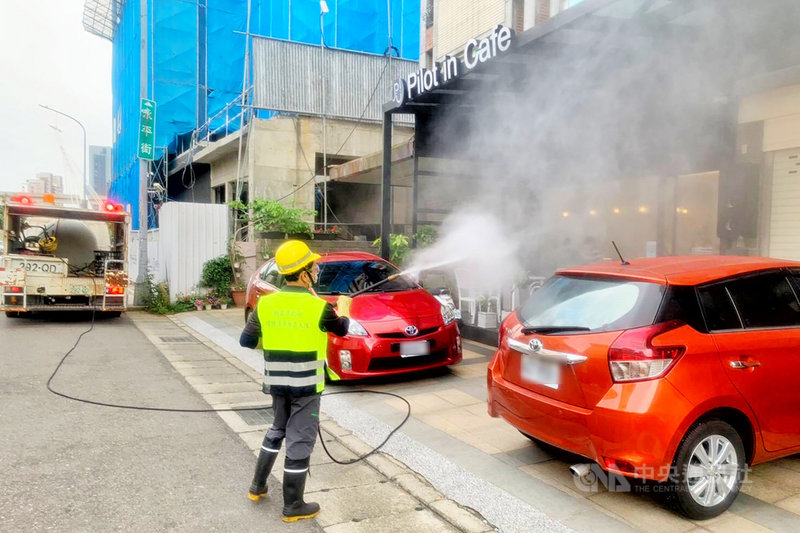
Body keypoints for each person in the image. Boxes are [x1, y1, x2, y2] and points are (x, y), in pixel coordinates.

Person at [239, 240, 352, 522]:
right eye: (312, 266)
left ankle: (257, 486)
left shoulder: (265, 305)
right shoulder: (319, 308)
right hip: (306, 388)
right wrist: (346, 307)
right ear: (304, 275)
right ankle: (293, 505)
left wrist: (278, 342)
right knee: (300, 441)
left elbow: (247, 341)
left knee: (277, 429)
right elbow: (343, 329)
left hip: (277, 384)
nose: (316, 269)